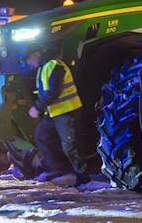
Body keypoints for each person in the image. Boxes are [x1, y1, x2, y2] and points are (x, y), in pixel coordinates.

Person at [25, 45, 91, 186]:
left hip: (67, 111)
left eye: (29, 59)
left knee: (70, 145)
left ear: (36, 54)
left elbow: (54, 91)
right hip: (55, 112)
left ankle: (83, 176)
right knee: (41, 136)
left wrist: (37, 107)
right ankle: (60, 169)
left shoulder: (54, 65)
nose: (29, 64)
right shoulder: (44, 68)